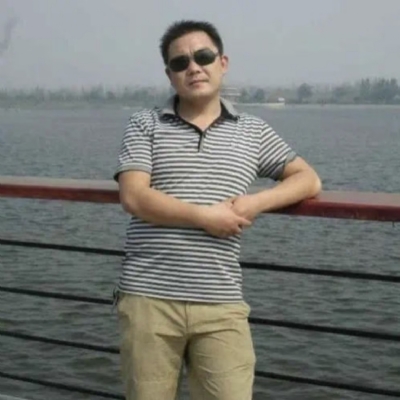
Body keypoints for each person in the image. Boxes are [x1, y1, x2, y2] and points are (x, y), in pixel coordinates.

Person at [113, 19, 321, 400]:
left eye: (203, 57)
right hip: (148, 299)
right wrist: (205, 217)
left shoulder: (252, 131)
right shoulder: (145, 123)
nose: (193, 67)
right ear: (169, 75)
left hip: (221, 301)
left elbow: (308, 179)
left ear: (222, 63)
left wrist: (254, 202)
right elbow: (134, 197)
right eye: (180, 63)